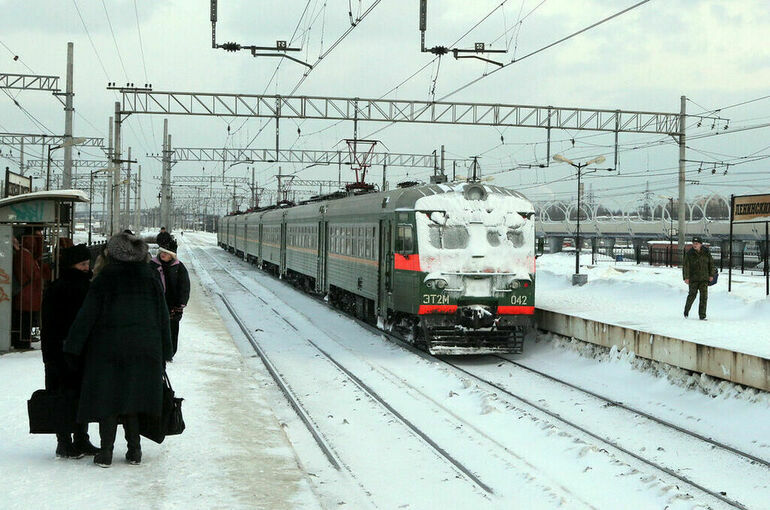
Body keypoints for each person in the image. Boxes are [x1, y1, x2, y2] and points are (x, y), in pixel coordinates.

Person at [63, 232, 172, 467]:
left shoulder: (105, 278)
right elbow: (163, 316)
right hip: (144, 348)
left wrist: (73, 346)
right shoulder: (150, 276)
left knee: (108, 399)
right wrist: (166, 349)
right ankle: (134, 451)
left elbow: (86, 316)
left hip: (107, 349)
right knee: (133, 398)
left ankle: (106, 453)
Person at [40, 244, 99, 458]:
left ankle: (80, 439)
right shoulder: (60, 289)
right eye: (82, 264)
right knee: (65, 396)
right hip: (62, 352)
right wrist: (50, 356)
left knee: (79, 396)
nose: (86, 267)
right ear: (72, 265)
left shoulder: (85, 287)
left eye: (87, 263)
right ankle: (65, 441)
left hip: (78, 352)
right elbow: (48, 325)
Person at [151, 238, 190, 358]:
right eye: (162, 251)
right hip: (155, 304)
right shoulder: (152, 265)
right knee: (156, 329)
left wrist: (181, 304)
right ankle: (156, 352)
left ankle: (170, 352)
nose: (163, 254)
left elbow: (184, 286)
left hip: (173, 305)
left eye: (166, 253)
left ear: (172, 255)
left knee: (172, 329)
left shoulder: (179, 268)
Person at [12, 235, 42, 349]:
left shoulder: (22, 254)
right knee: (25, 320)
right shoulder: (26, 255)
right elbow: (33, 274)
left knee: (23, 320)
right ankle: (24, 342)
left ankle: (22, 341)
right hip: (28, 294)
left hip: (25, 294)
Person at [683, 236, 714, 320]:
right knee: (692, 295)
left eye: (696, 243)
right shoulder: (689, 253)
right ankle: (686, 311)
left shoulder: (706, 252)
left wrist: (711, 275)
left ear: (701, 244)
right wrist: (686, 277)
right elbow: (686, 266)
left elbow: (711, 264)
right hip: (693, 279)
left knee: (704, 297)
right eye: (693, 243)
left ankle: (702, 315)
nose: (695, 245)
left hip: (704, 278)